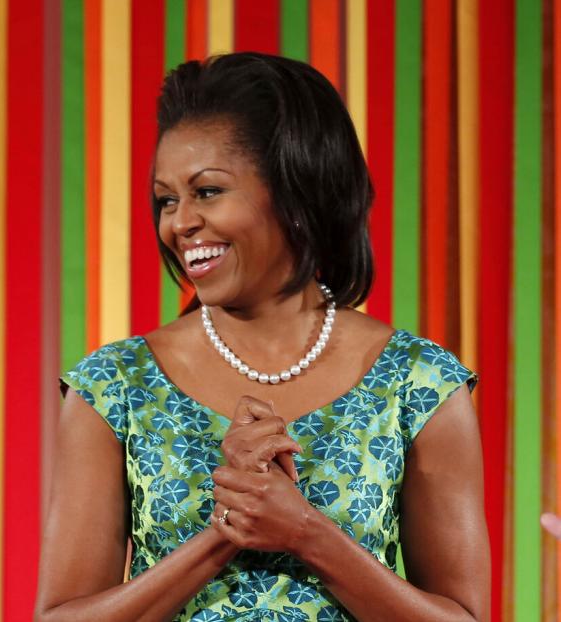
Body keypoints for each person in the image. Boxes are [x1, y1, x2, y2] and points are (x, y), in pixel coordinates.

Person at [35, 52, 489, 621]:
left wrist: (305, 532)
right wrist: (222, 535)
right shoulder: (115, 386)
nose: (179, 224)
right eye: (167, 199)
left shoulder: (420, 384)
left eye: (206, 192)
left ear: (298, 193)